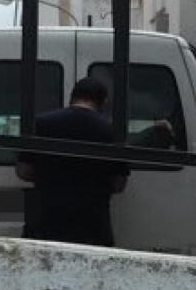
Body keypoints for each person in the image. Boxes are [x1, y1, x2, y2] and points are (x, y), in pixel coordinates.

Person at [16, 77, 130, 247]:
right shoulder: (112, 132)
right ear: (103, 101)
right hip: (92, 226)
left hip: (45, 221)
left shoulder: (40, 123)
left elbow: (23, 171)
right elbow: (119, 184)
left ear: (72, 96)